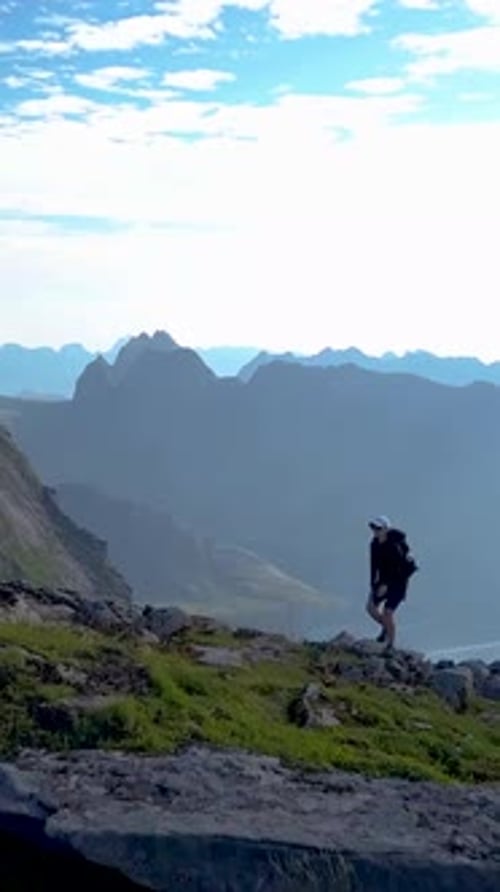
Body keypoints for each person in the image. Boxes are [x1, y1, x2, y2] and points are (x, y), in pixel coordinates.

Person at [366, 515, 416, 653]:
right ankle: (386, 628)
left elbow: (399, 570)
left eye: (378, 528)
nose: (375, 531)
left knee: (387, 613)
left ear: (386, 529)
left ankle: (390, 645)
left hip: (398, 584)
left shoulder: (395, 547)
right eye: (373, 527)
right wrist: (373, 585)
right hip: (382, 581)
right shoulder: (374, 544)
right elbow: (373, 566)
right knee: (370, 608)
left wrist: (386, 585)